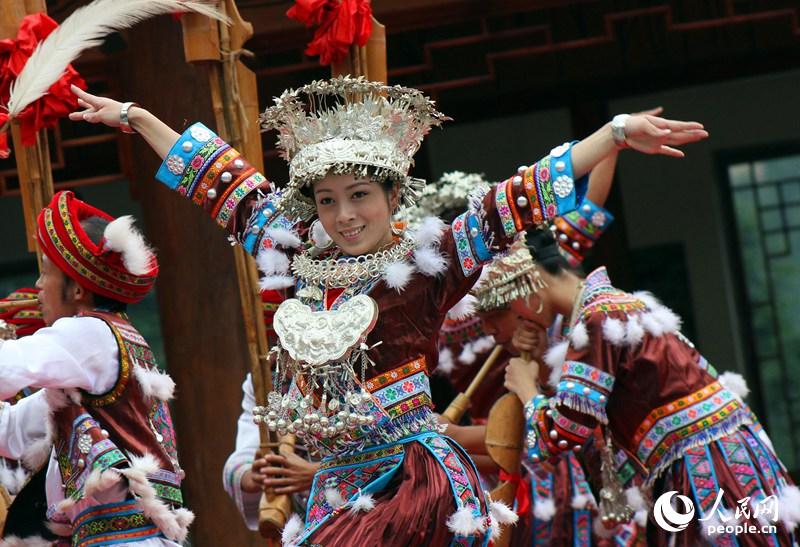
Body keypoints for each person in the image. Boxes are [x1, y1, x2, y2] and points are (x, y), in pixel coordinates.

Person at [69, 76, 706, 545]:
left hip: (410, 486)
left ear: (393, 194)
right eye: (326, 200)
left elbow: (521, 195)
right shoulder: (295, 256)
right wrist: (135, 115)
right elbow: (219, 181)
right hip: (331, 487)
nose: (344, 215)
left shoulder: (433, 262)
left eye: (360, 196)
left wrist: (616, 133)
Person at [502, 228, 798, 546]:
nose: (514, 318)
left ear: (530, 281)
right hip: (714, 458)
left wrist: (526, 388)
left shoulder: (597, 318)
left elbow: (563, 433)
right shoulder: (607, 307)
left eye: (506, 304)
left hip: (707, 470)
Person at [0, 193, 191, 545]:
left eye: (46, 273)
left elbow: (5, 370)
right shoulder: (107, 347)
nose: (39, 287)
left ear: (76, 289)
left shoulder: (91, 333)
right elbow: (10, 432)